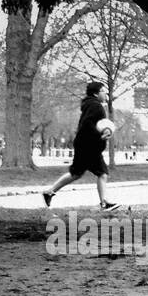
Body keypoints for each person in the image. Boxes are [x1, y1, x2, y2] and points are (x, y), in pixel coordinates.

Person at [42, 81, 123, 211]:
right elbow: (87, 124)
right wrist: (101, 133)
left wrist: (105, 129)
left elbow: (92, 124)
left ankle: (50, 192)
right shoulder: (96, 106)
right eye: (103, 91)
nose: (105, 93)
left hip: (86, 145)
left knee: (80, 173)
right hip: (88, 146)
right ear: (96, 93)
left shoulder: (90, 104)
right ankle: (104, 203)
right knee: (99, 173)